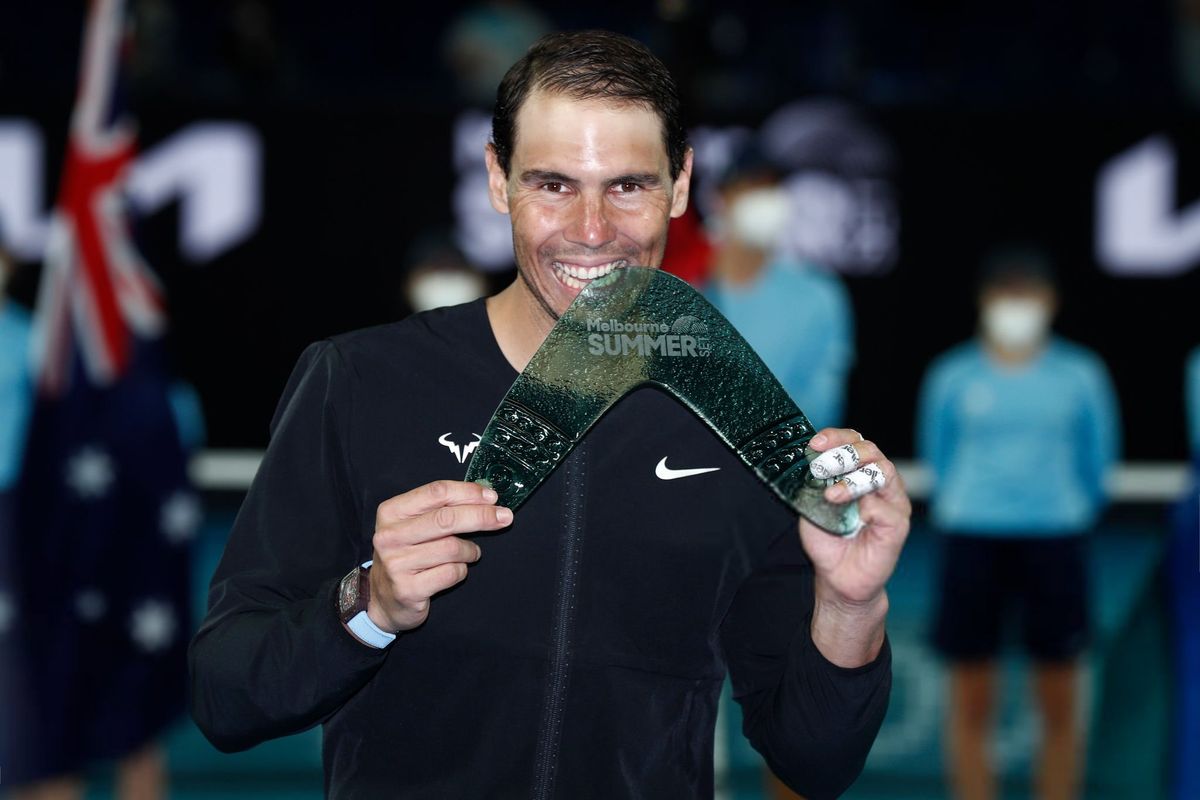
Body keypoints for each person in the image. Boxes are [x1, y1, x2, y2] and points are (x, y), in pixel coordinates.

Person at [189, 30, 912, 798]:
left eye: (627, 186)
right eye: (554, 185)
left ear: (680, 185)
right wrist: (367, 605)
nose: (592, 230)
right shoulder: (361, 382)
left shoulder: (733, 418)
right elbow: (226, 698)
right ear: (498, 180)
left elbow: (815, 759)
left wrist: (850, 604)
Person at [916, 245, 1120, 800]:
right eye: (1006, 294)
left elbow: (1098, 462)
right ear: (984, 301)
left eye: (1027, 294)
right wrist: (974, 502)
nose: (1016, 307)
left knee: (1059, 699)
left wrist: (1063, 507)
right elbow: (938, 455)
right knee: (971, 697)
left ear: (1050, 302)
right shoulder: (952, 375)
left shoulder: (1080, 374)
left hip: (1055, 540)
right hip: (973, 539)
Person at [702, 139, 856, 429]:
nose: (764, 199)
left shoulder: (819, 295)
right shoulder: (686, 283)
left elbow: (821, 407)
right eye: (751, 186)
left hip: (781, 452)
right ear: (718, 198)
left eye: (772, 187)